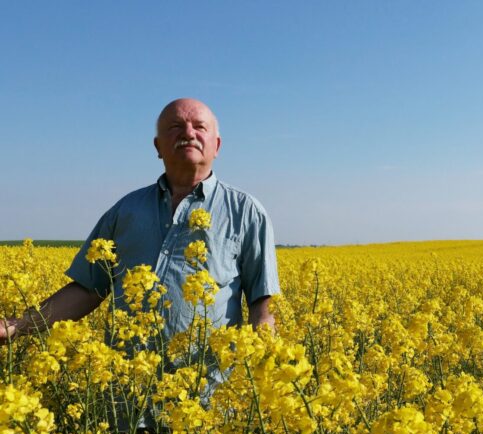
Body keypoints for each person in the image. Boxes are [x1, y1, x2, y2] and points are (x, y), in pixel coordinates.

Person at [0, 97, 280, 342]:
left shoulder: (246, 212)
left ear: (216, 145)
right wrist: (17, 326)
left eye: (200, 127)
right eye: (175, 127)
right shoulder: (125, 211)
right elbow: (87, 289)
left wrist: (265, 374)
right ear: (158, 147)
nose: (188, 133)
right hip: (125, 394)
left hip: (211, 391)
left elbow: (262, 306)